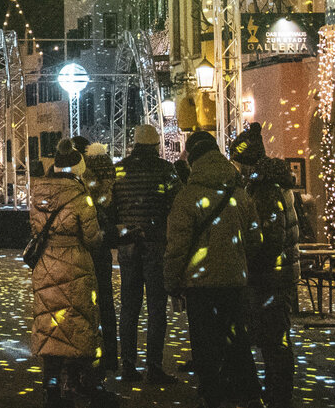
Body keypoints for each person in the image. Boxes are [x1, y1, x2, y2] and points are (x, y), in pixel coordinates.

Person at [165, 130, 262, 408]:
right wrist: (238, 259)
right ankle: (248, 392)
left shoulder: (187, 196)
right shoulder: (240, 194)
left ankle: (213, 395)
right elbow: (255, 238)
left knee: (205, 344)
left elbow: (177, 246)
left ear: (193, 158)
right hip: (234, 280)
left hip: (200, 285)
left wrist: (171, 281)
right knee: (236, 338)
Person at [30, 140, 116, 408]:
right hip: (76, 265)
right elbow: (92, 238)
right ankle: (83, 383)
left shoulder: (38, 191)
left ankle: (52, 386)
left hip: (46, 264)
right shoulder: (81, 196)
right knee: (78, 325)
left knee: (51, 322)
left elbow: (35, 230)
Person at [231, 123, 299, 408]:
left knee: (274, 342)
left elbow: (271, 237)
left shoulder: (266, 190)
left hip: (272, 277)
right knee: (272, 340)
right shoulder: (266, 186)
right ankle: (275, 393)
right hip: (275, 275)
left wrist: (253, 264)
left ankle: (278, 397)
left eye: (238, 161)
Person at [111, 123, 180, 384]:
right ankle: (154, 366)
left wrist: (124, 229)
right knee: (156, 308)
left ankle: (128, 365)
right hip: (155, 244)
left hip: (128, 245)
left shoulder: (119, 169)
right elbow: (177, 203)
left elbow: (111, 206)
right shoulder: (165, 170)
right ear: (154, 145)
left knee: (129, 308)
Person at [78, 138, 120, 372]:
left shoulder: (88, 178)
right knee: (107, 302)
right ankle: (112, 355)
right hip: (105, 243)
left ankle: (92, 354)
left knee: (88, 303)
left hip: (91, 245)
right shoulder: (112, 175)